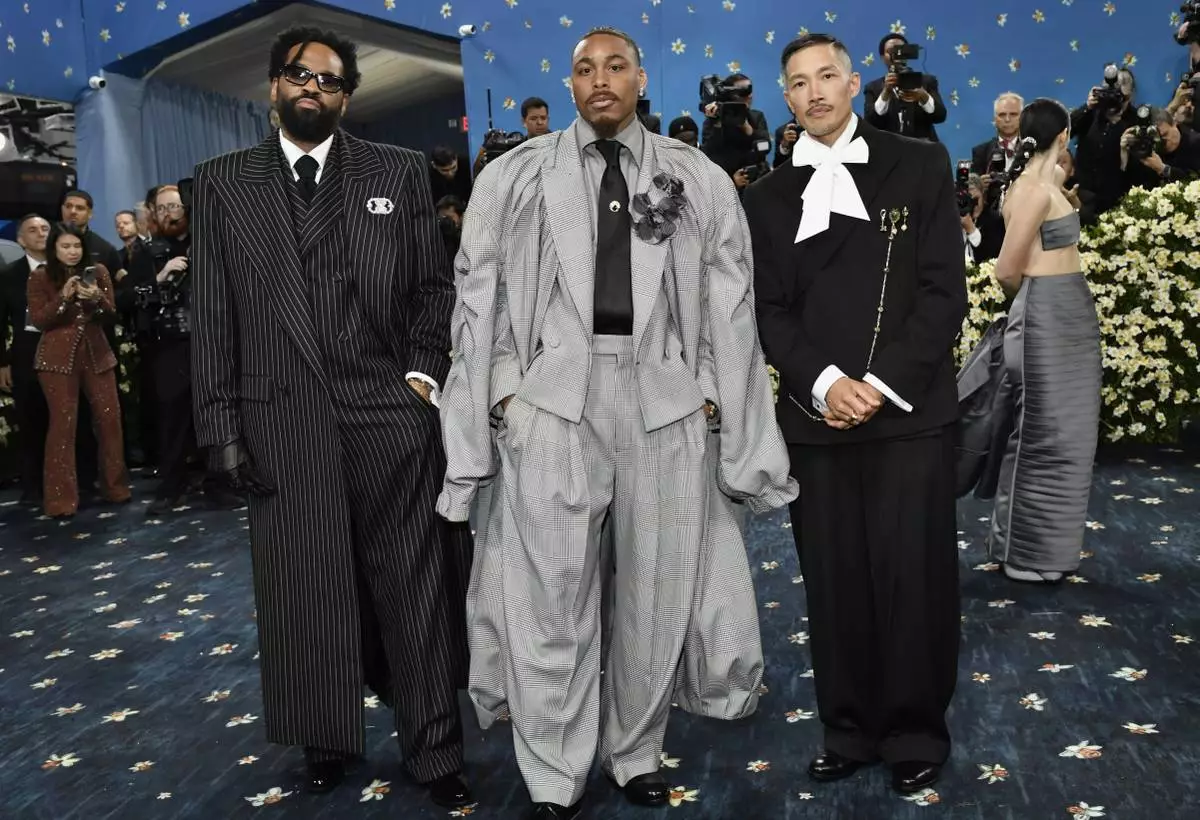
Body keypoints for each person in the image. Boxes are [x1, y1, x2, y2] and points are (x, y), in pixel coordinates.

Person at [438, 25, 796, 820]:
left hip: (663, 403)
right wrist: (503, 393)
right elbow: (478, 297)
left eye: (616, 67)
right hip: (551, 399)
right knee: (548, 597)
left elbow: (727, 302)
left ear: (641, 79)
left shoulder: (694, 178)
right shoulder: (514, 177)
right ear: (568, 86)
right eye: (584, 69)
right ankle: (554, 773)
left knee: (655, 592)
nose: (600, 80)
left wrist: (709, 392)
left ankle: (634, 752)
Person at [190, 25, 473, 809]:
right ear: (273, 87)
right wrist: (220, 428)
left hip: (388, 411)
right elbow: (211, 314)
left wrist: (422, 378)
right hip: (280, 417)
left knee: (413, 588)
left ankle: (437, 746)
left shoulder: (400, 171)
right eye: (297, 75)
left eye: (328, 79)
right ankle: (326, 737)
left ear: (348, 95)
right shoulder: (220, 183)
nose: (311, 88)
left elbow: (434, 289)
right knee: (306, 588)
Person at [744, 33, 966, 795]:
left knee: (913, 578)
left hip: (908, 412)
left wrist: (877, 384)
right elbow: (768, 310)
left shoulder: (922, 162)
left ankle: (913, 730)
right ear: (786, 96)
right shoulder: (766, 196)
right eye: (798, 82)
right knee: (833, 579)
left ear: (854, 81)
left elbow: (944, 294)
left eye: (827, 76)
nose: (814, 92)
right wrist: (826, 382)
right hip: (817, 418)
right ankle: (846, 726)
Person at [988, 100, 1102, 583]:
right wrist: (1030, 303)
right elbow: (1006, 269)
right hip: (1046, 317)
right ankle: (1027, 553)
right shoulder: (1033, 192)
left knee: (1067, 434)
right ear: (1065, 134)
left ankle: (1040, 551)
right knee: (1045, 435)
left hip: (1066, 315)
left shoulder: (1042, 183)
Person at [26, 222, 131, 518]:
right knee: (63, 425)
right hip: (57, 360)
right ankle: (60, 501)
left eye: (76, 246)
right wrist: (63, 298)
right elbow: (39, 320)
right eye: (65, 247)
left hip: (97, 354)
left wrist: (96, 298)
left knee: (110, 420)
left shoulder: (98, 272)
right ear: (54, 249)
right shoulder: (40, 277)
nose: (72, 252)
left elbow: (110, 313)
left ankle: (116, 488)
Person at [0, 215, 52, 506]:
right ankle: (33, 486)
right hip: (25, 357)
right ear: (20, 240)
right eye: (33, 230)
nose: (40, 233)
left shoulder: (63, 269)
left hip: (64, 354)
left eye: (45, 228)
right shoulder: (8, 275)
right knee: (30, 421)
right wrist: (2, 363)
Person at [863, 33, 947, 141]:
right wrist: (885, 93)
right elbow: (870, 122)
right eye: (890, 51)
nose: (897, 54)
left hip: (924, 152)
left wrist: (923, 96)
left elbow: (940, 116)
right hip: (888, 152)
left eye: (901, 50)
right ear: (883, 57)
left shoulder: (927, 82)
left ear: (908, 53)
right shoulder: (873, 88)